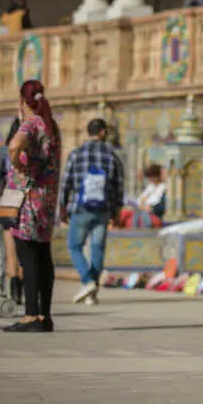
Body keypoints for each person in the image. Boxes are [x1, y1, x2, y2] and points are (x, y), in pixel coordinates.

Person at [3, 79, 62, 333]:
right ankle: (44, 315)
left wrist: (17, 165)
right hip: (46, 201)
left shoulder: (30, 124)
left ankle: (30, 316)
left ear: (22, 101)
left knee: (27, 257)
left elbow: (14, 145)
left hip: (25, 200)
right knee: (43, 256)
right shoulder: (51, 126)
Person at [61, 118, 124, 305]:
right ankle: (92, 291)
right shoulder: (113, 157)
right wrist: (116, 212)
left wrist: (62, 207)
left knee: (74, 246)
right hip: (103, 210)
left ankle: (88, 282)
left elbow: (66, 183)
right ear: (103, 132)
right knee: (97, 248)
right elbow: (119, 188)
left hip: (80, 208)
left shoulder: (76, 154)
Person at [0, 118, 23, 305]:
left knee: (10, 247)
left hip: (9, 198)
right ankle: (22, 287)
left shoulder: (4, 150)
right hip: (30, 201)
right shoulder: (34, 150)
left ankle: (14, 287)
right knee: (24, 247)